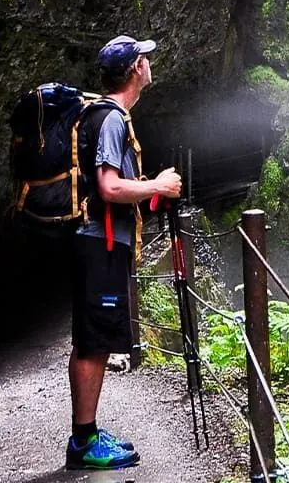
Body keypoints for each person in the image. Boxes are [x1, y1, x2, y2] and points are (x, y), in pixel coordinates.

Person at [66, 35, 181, 470]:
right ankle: (84, 444)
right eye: (145, 58)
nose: (150, 63)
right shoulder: (112, 119)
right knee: (94, 341)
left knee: (92, 338)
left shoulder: (105, 115)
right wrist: (158, 186)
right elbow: (109, 188)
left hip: (99, 239)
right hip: (101, 242)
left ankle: (88, 433)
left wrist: (151, 190)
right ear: (135, 68)